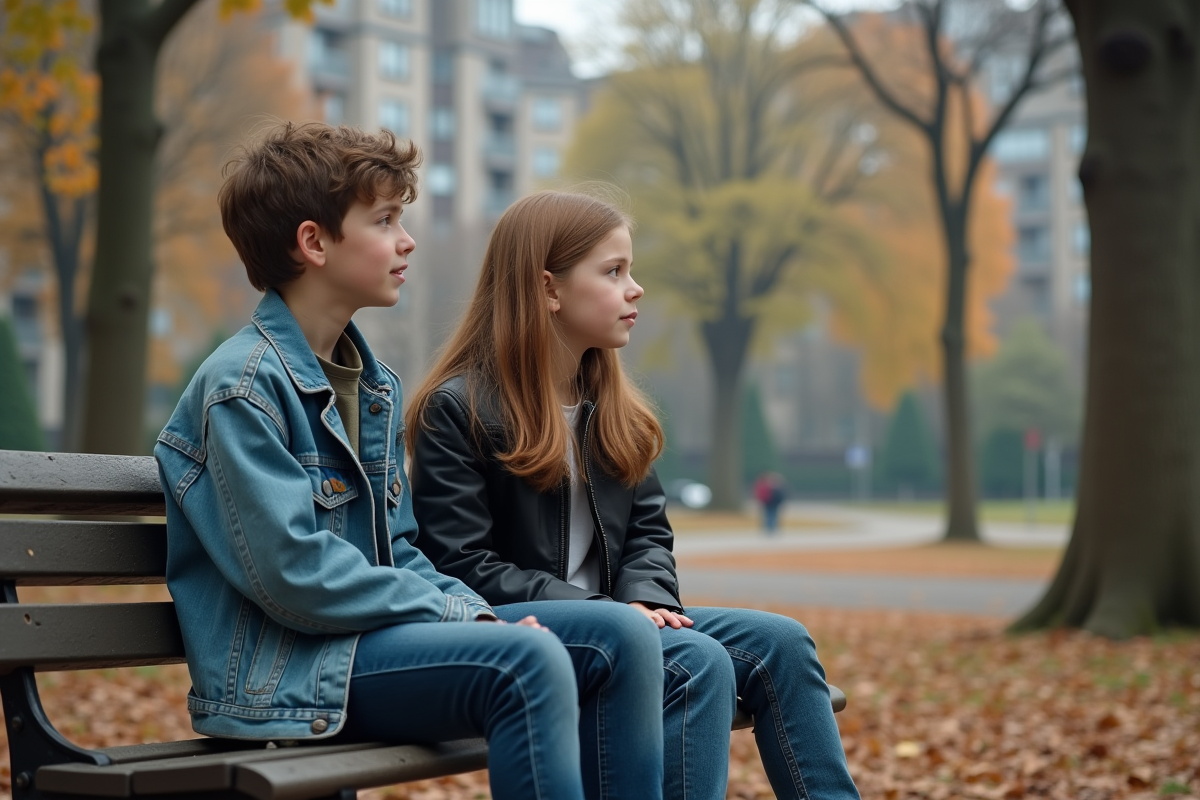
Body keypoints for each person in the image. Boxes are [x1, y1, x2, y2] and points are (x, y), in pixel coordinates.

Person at [153, 124, 664, 800]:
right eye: (385, 220)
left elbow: (401, 551)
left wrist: (466, 608)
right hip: (291, 675)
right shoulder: (242, 387)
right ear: (314, 244)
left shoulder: (374, 388)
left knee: (623, 632)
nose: (407, 240)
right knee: (527, 660)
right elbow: (294, 573)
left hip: (363, 645)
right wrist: (463, 618)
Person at [406, 190, 860, 800]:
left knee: (781, 642)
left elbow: (648, 536)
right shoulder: (458, 410)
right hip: (522, 628)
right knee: (697, 663)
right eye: (613, 271)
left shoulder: (616, 414)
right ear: (548, 290)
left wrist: (644, 598)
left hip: (625, 621)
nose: (635, 288)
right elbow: (460, 564)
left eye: (631, 269)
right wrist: (609, 614)